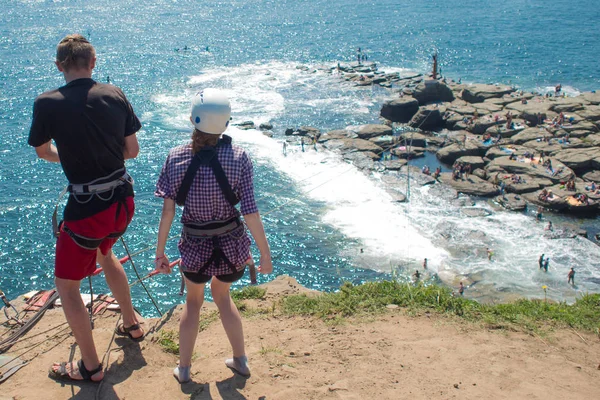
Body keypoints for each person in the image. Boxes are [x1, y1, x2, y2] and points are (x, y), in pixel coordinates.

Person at [29, 34, 142, 382]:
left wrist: (74, 156)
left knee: (67, 286)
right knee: (105, 255)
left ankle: (90, 367)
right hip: (123, 202)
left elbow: (43, 151)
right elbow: (132, 150)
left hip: (88, 211)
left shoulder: (47, 103)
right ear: (93, 62)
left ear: (59, 65)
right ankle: (132, 324)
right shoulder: (114, 94)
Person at [154, 89, 273, 383]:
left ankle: (183, 370)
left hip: (194, 248)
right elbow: (250, 212)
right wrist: (265, 254)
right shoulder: (240, 157)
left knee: (193, 303)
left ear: (193, 119)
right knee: (222, 296)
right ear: (226, 122)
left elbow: (168, 212)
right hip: (232, 248)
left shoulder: (175, 157)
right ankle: (241, 360)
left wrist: (160, 253)